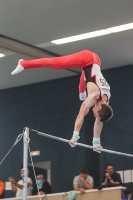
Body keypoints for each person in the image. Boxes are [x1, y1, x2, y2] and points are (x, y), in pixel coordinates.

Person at [11, 50, 113, 152]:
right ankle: (24, 64)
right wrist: (75, 136)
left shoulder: (106, 101)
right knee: (56, 64)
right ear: (99, 108)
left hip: (95, 63)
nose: (94, 115)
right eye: (96, 114)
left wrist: (96, 143)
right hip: (87, 58)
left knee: (83, 93)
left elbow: (99, 122)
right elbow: (80, 115)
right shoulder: (94, 96)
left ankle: (81, 92)